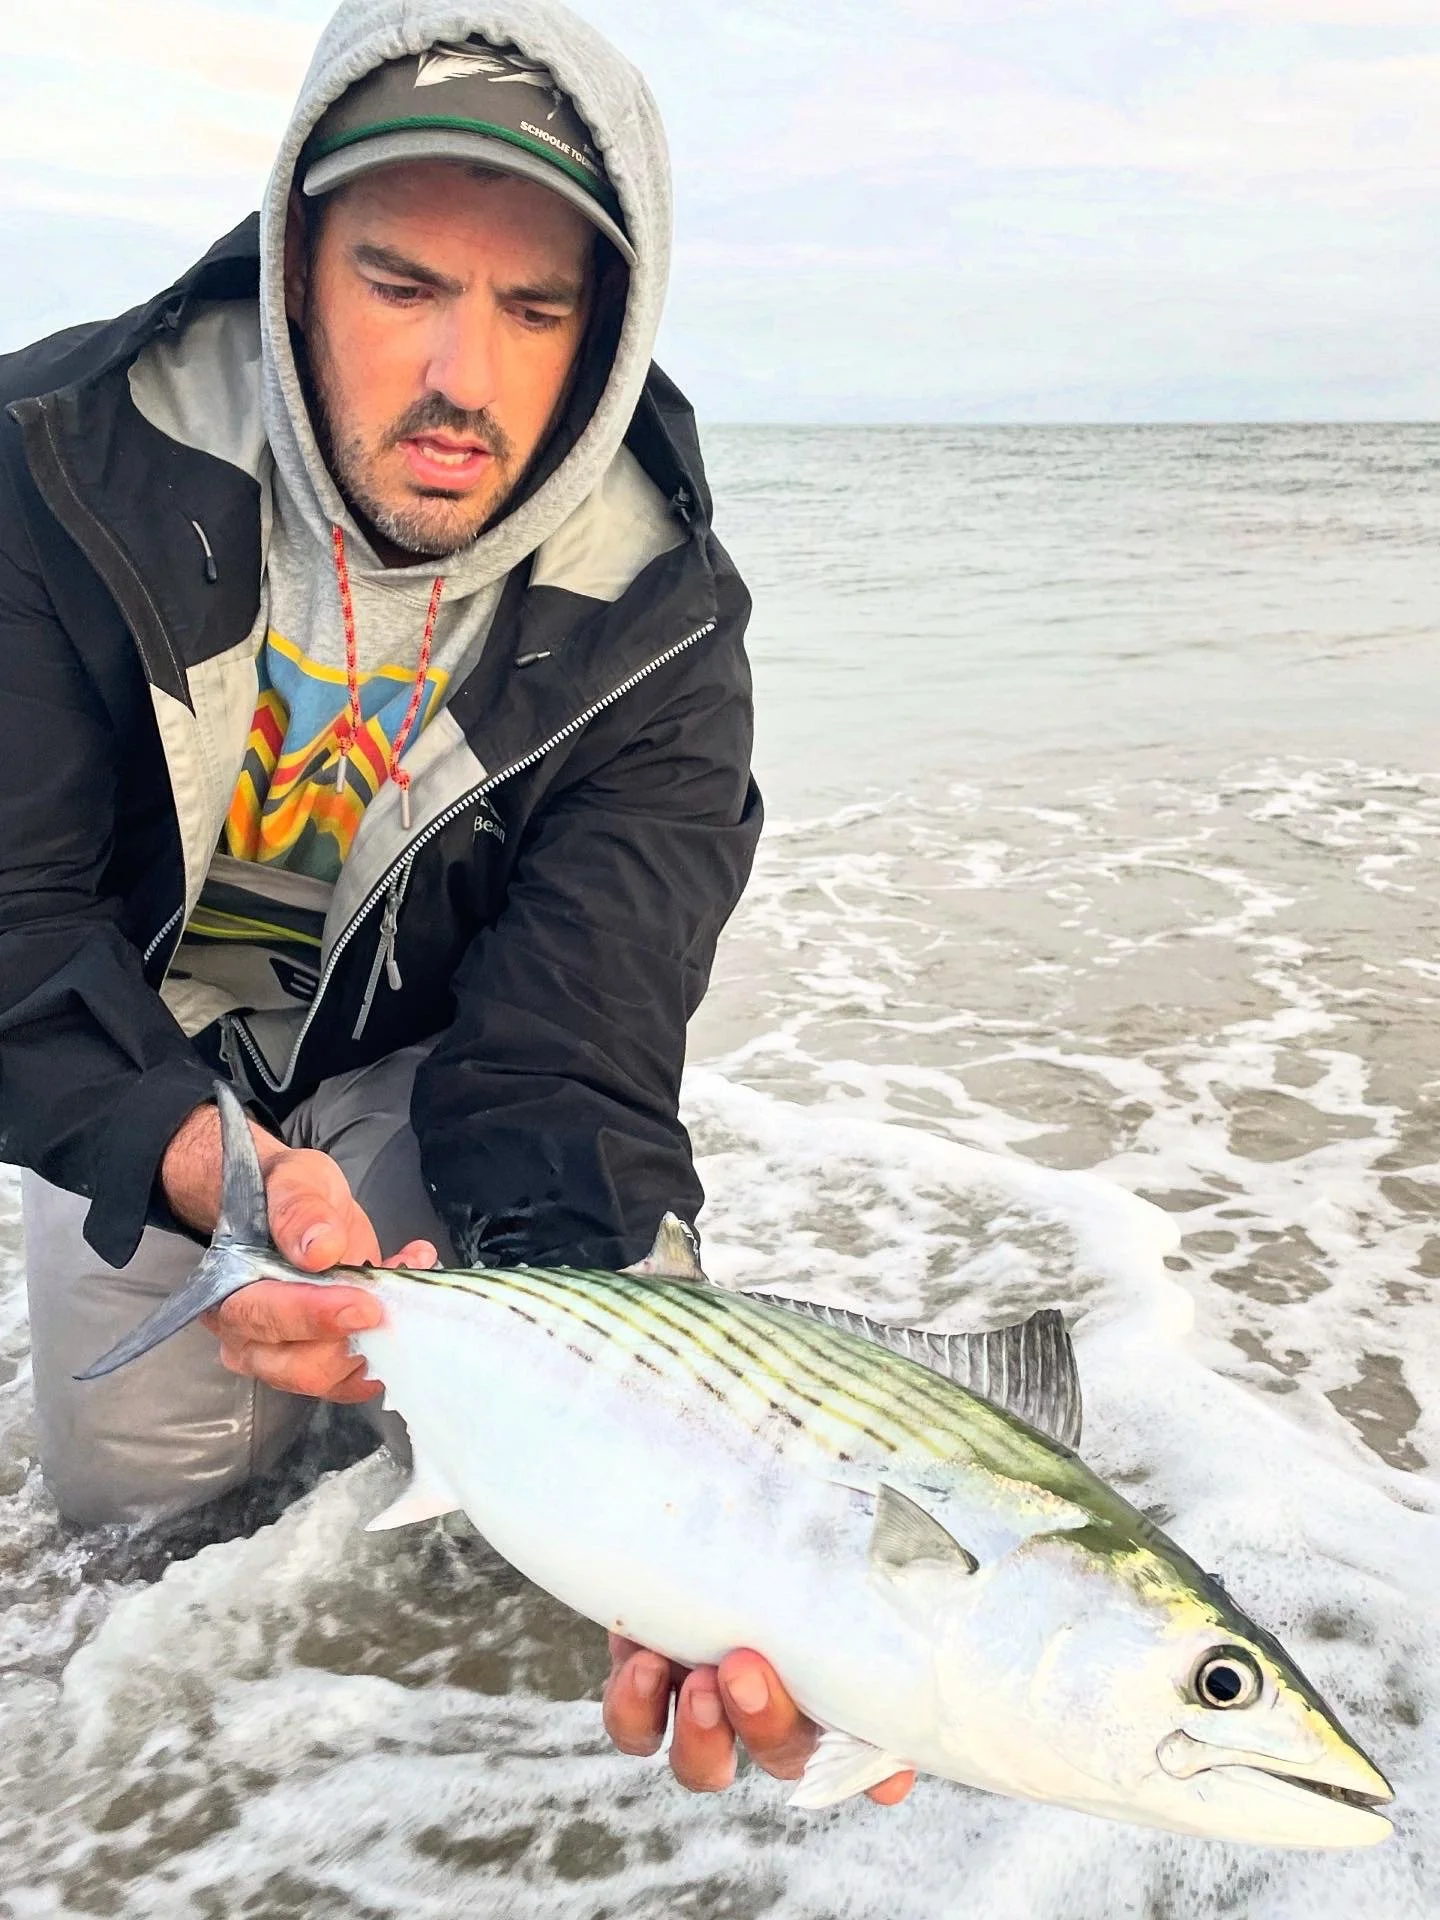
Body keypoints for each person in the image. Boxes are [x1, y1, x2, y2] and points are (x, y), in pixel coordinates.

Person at [0, 0, 913, 1806]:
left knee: (459, 1511)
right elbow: (14, 918)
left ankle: (399, 1793)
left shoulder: (663, 634)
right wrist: (190, 1157)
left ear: (608, 329)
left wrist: (683, 1496)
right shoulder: (52, 468)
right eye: (404, 284)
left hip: (430, 1076)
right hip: (126, 1056)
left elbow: (570, 1066)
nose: (463, 382)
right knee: (137, 1552)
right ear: (290, 262)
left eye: (536, 310)